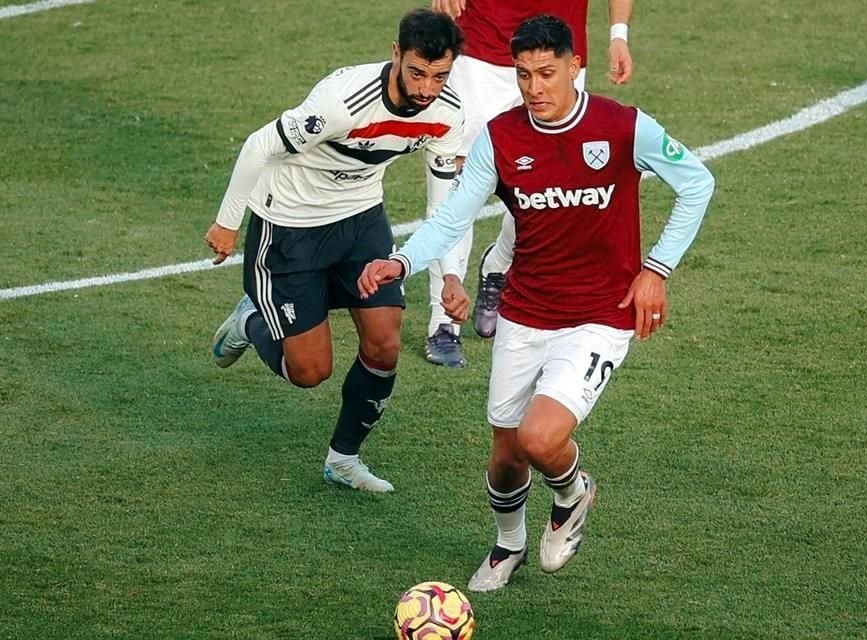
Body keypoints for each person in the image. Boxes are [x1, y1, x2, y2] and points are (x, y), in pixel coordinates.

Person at [358, 14, 714, 590]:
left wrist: (657, 269)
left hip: (599, 318)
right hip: (525, 314)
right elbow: (452, 216)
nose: (534, 88)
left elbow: (697, 183)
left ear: (576, 66)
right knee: (505, 453)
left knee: (540, 437)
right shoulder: (500, 138)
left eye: (547, 73)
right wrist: (402, 261)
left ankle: (575, 491)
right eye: (524, 75)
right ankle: (508, 546)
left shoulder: (622, 126)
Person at [203, 9, 466, 493]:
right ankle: (251, 321)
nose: (428, 87)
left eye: (440, 75)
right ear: (396, 55)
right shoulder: (345, 102)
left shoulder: (448, 114)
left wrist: (449, 275)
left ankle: (343, 460)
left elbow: (443, 205)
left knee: (385, 343)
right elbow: (261, 144)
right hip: (291, 223)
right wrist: (226, 222)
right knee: (310, 372)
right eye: (417, 72)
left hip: (360, 220)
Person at [421, 0, 635, 368]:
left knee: (552, 181)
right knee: (458, 180)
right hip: (481, 49)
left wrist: (619, 33)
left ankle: (498, 264)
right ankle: (443, 322)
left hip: (558, 46)